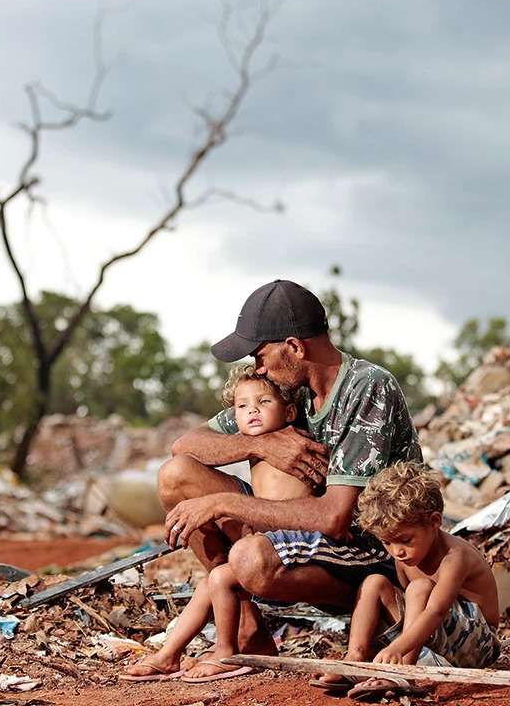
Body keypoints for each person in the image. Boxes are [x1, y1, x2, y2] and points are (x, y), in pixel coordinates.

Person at [159, 279, 422, 662]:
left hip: (367, 553)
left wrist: (223, 504)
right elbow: (185, 445)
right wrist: (257, 443)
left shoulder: (367, 387)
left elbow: (335, 518)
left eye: (260, 355)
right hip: (301, 538)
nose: (257, 367)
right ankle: (248, 627)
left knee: (249, 558)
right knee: (176, 474)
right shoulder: (285, 387)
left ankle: (363, 617)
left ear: (295, 347)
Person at [123, 366, 312, 683]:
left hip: (291, 538)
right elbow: (184, 445)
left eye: (263, 402)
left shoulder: (296, 439)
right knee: (210, 583)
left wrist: (256, 528)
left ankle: (226, 648)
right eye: (242, 406)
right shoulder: (255, 431)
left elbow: (297, 507)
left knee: (219, 579)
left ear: (290, 411)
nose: (252, 410)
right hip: (263, 527)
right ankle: (170, 655)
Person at [313, 461, 500, 698]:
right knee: (374, 583)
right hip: (437, 638)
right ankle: (355, 661)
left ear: (434, 521)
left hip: (478, 644)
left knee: (419, 588)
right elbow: (412, 611)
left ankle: (404, 672)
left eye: (405, 540)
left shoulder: (455, 557)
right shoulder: (403, 557)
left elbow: (434, 611)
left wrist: (397, 648)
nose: (397, 551)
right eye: (387, 542)